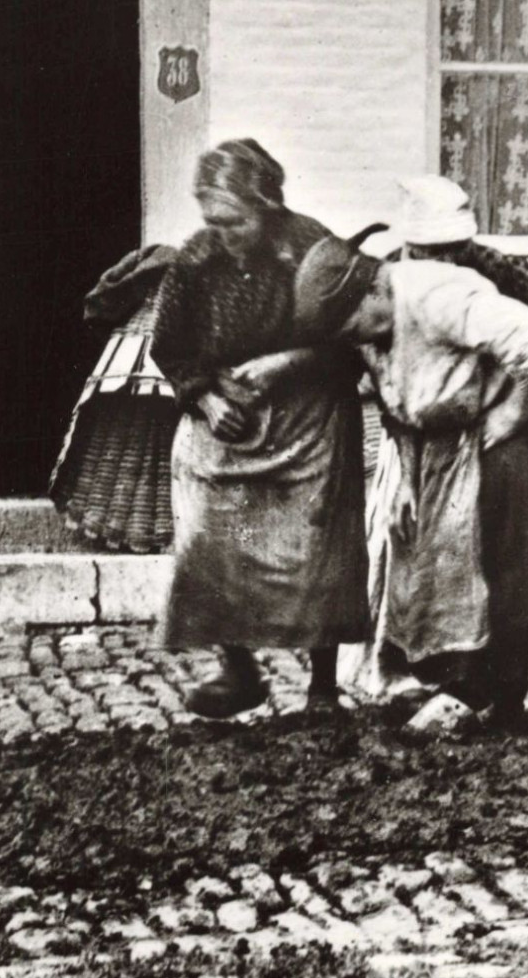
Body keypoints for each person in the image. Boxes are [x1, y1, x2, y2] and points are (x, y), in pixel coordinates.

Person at [284, 227, 528, 728]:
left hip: (525, 412)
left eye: (351, 325)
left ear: (374, 292)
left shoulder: (441, 295)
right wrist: (404, 476)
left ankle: (506, 697)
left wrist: (513, 413)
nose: (354, 340)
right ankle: (460, 683)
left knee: (502, 552)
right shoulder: (366, 327)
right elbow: (396, 402)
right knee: (430, 549)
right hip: (439, 432)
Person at [352, 176, 528, 704]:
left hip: (514, 412)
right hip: (425, 423)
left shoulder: (489, 267)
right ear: (412, 245)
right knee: (411, 540)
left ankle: (499, 678)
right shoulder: (383, 284)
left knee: (506, 542)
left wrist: (509, 397)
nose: (446, 257)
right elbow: (388, 378)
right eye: (435, 249)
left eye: (454, 249)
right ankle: (406, 666)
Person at [149, 139, 369, 719]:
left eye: (235, 221)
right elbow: (169, 348)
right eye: (212, 221)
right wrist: (202, 396)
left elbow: (355, 342)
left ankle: (322, 687)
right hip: (231, 421)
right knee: (214, 542)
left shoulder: (312, 250)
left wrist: (288, 362)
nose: (223, 233)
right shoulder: (197, 259)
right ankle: (239, 671)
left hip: (308, 424)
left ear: (267, 204)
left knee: (315, 549)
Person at [49, 244, 179, 554]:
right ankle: (128, 518)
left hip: (142, 342)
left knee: (145, 427)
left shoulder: (164, 264)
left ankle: (151, 520)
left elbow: (102, 297)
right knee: (126, 428)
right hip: (140, 343)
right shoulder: (167, 260)